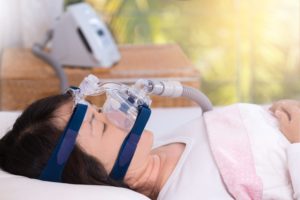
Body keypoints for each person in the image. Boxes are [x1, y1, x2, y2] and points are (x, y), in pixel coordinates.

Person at [0, 91, 299, 200]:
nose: (118, 116)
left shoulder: (165, 148)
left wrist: (275, 111)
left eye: (100, 111)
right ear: (92, 174)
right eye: (102, 126)